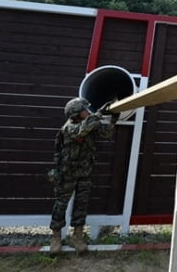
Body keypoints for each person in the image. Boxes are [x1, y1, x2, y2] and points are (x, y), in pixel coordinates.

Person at [47, 97, 119, 254]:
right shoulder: (68, 128)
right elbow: (82, 130)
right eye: (84, 110)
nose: (88, 111)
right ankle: (56, 238)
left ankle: (77, 237)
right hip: (67, 174)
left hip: (84, 172)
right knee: (61, 205)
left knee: (82, 205)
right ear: (75, 114)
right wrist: (99, 114)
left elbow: (105, 133)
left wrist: (114, 118)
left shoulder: (91, 123)